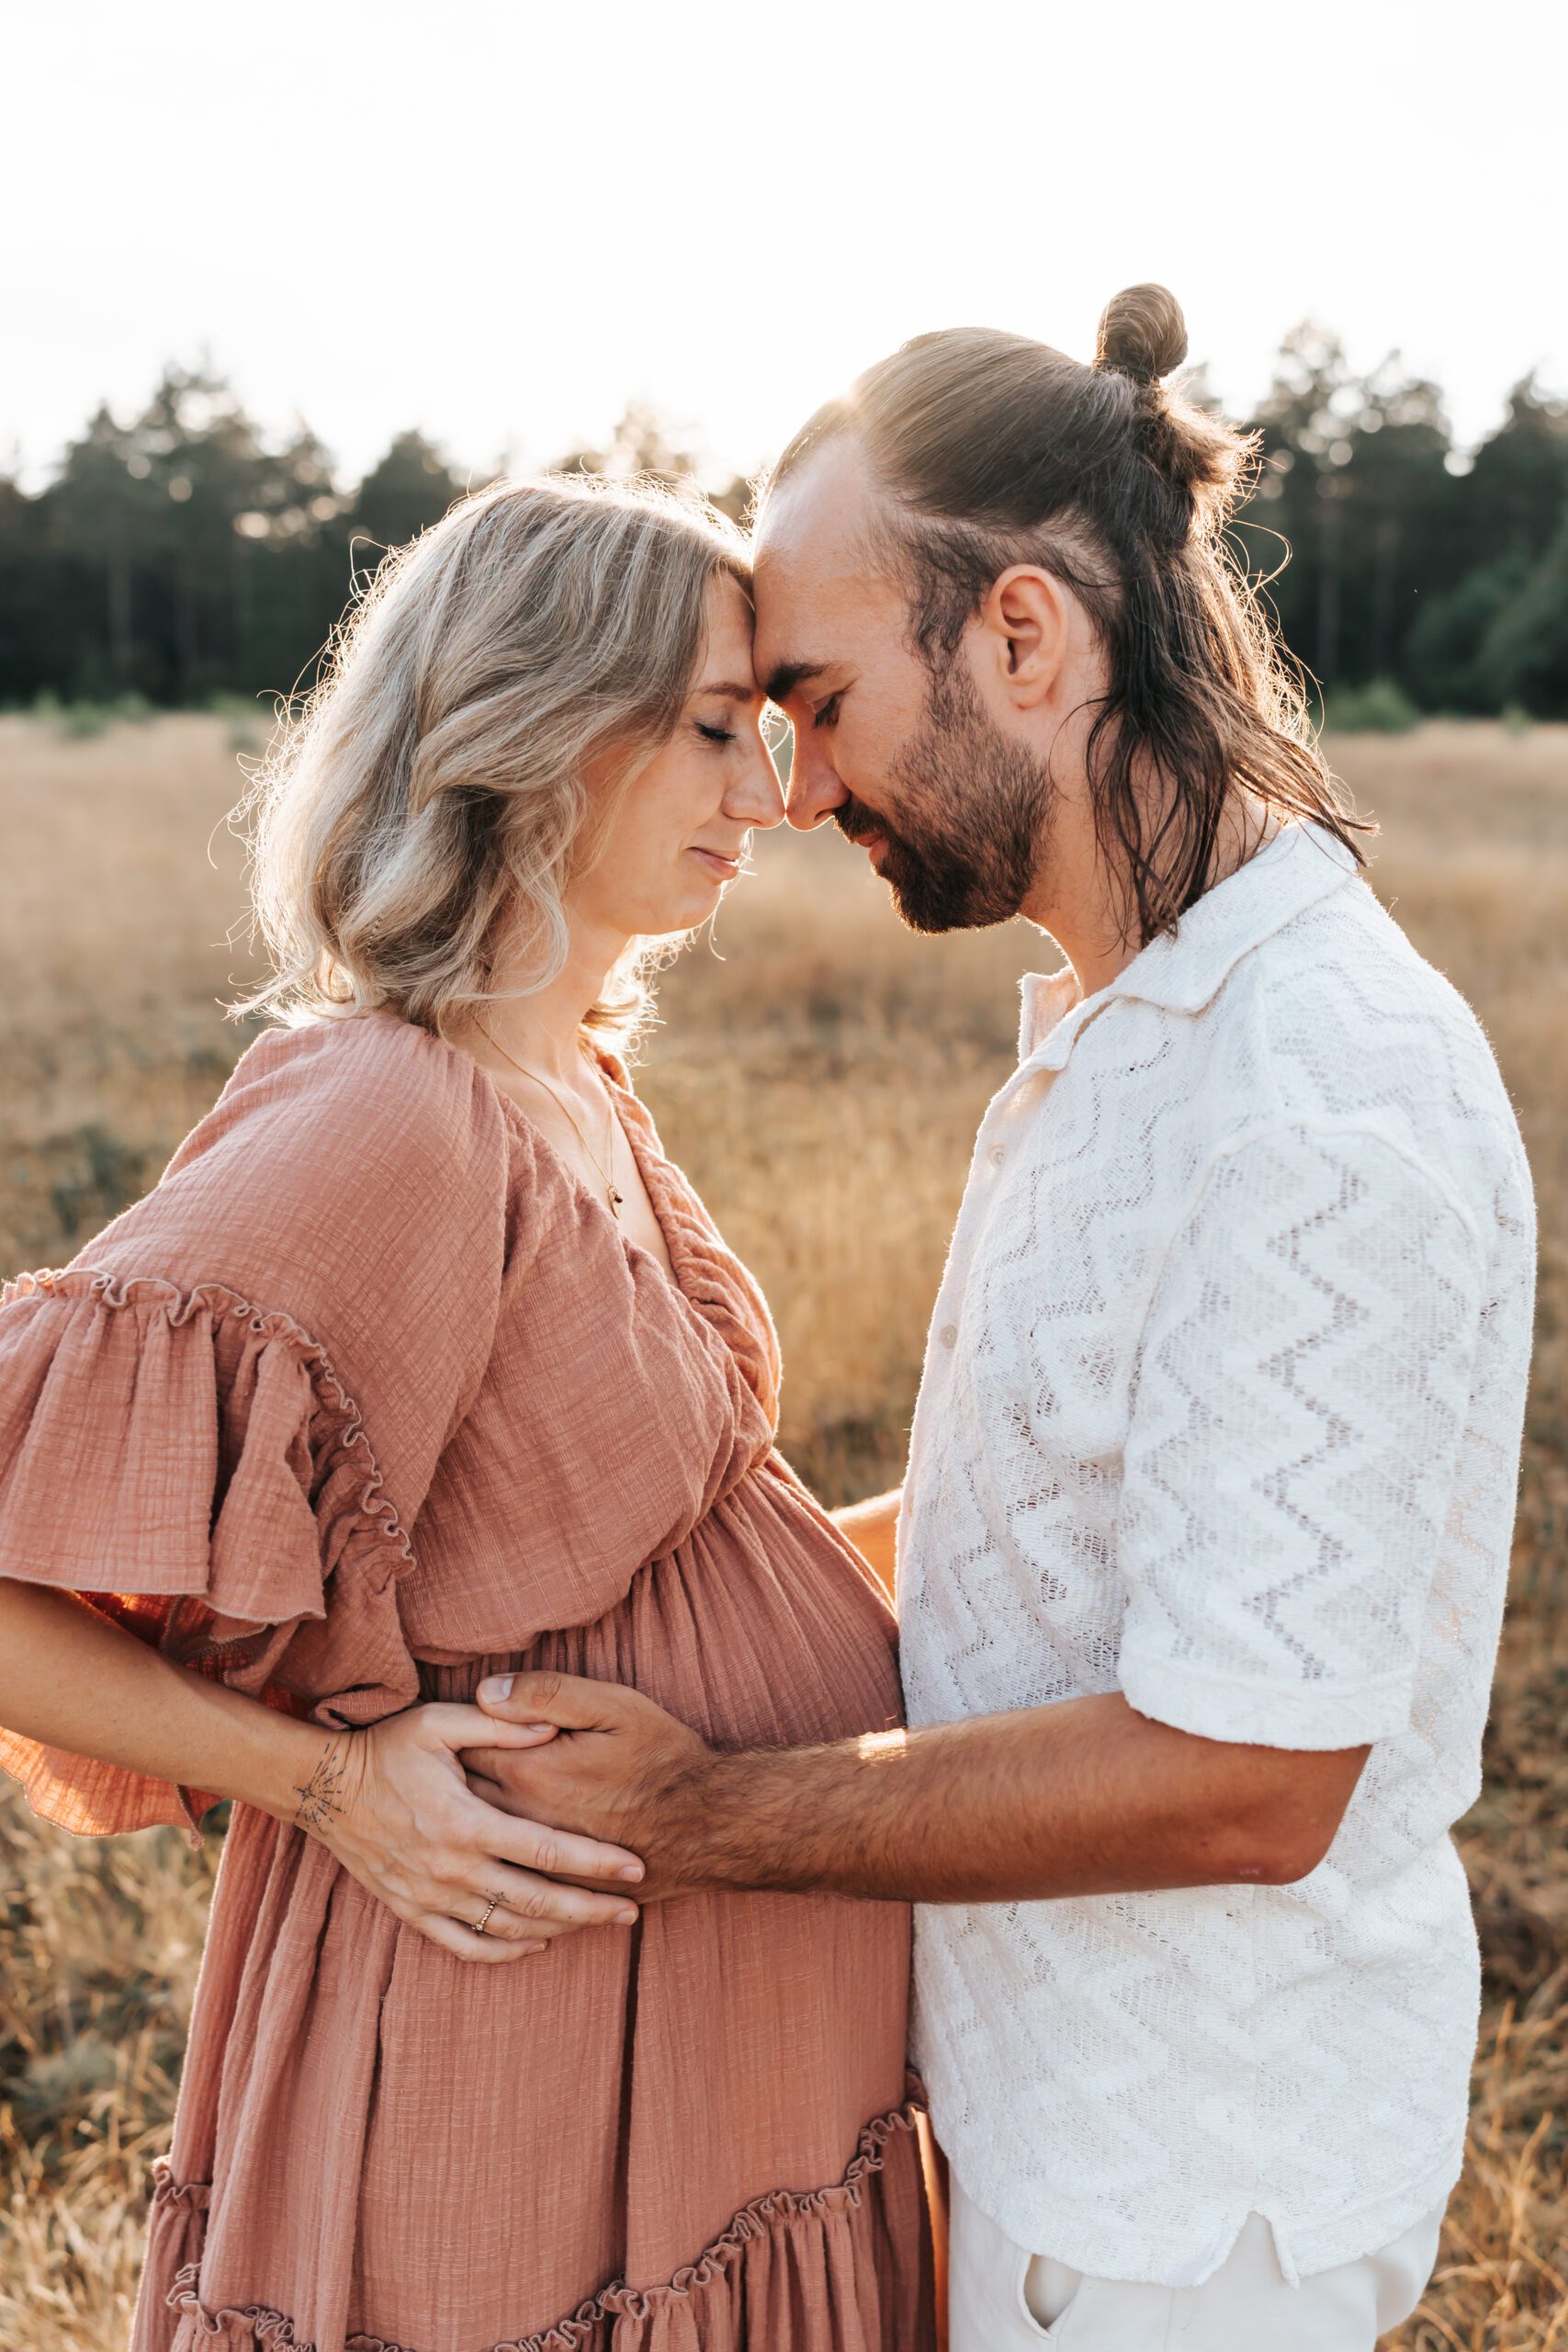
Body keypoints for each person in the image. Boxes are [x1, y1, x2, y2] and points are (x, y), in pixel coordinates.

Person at [464, 288, 1538, 2350]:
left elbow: (1245, 1770)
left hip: (1183, 2214)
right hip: (1045, 2141)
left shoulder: (1315, 1089)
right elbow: (1029, 1530)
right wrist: (601, 1636)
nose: (789, 787)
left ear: (1024, 639)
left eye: (820, 698)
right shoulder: (1126, 1029)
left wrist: (695, 1812)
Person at [0, 477, 935, 2351]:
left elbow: (632, 1579)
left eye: (763, 729)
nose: (765, 796)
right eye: (703, 731)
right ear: (528, 731)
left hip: (710, 2051)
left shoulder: (572, 1081)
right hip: (510, 2067)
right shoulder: (387, 1112)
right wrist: (335, 1782)